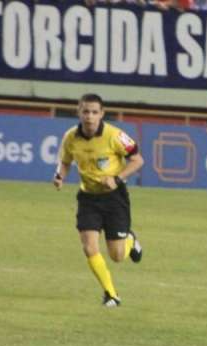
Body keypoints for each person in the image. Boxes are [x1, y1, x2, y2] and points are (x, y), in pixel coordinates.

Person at [52, 93, 145, 308]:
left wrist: (117, 178)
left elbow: (138, 159)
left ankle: (130, 240)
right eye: (85, 111)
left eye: (94, 112)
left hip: (114, 199)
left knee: (117, 256)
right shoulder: (70, 137)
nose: (90, 117)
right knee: (89, 247)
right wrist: (59, 176)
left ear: (102, 114)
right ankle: (111, 294)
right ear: (79, 112)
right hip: (88, 199)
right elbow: (64, 161)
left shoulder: (115, 135)